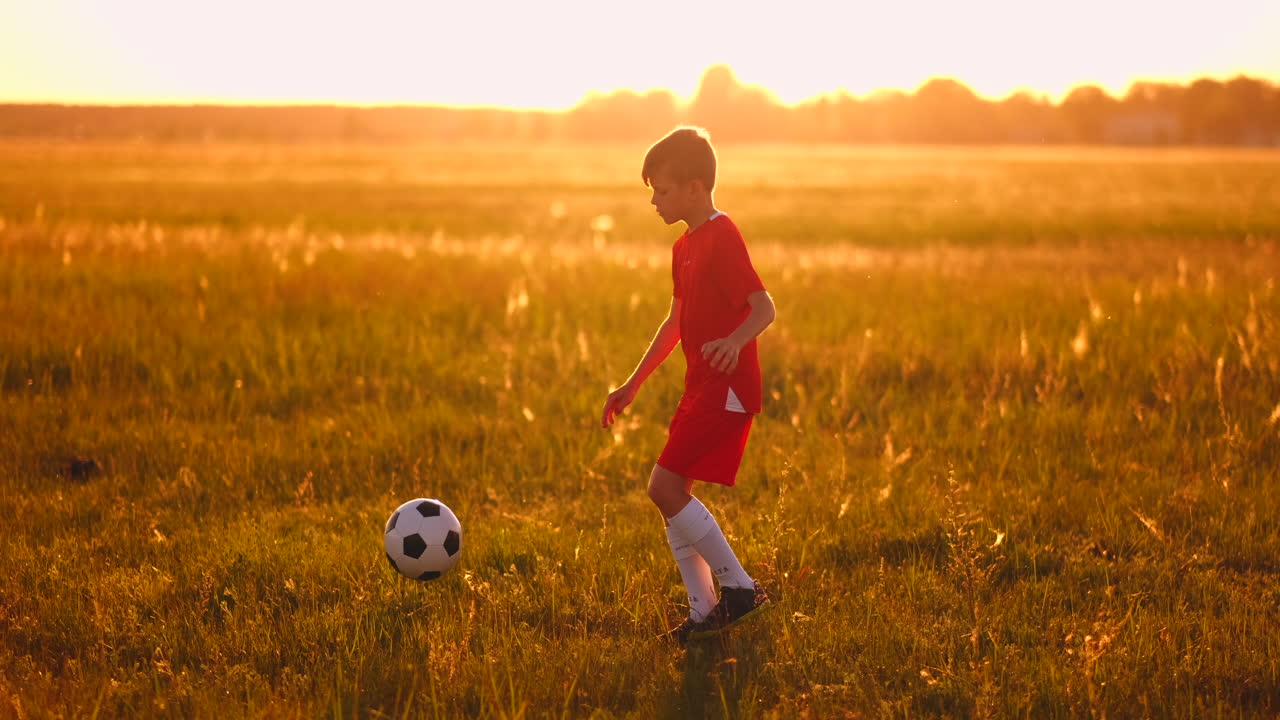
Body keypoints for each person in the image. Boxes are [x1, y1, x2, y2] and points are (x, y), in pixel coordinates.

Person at [601, 126, 776, 644]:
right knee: (673, 492)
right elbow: (675, 323)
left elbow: (764, 307)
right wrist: (632, 384)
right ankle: (703, 614)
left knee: (663, 486)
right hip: (699, 385)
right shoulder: (683, 247)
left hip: (727, 387)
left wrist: (735, 341)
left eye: (664, 190)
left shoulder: (723, 235)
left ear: (696, 187)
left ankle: (741, 590)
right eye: (653, 191)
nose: (655, 200)